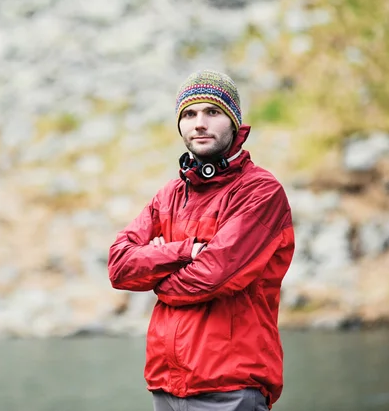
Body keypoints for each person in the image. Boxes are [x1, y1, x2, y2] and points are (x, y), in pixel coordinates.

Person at [108, 70, 295, 411]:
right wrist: (183, 251)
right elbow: (119, 267)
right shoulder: (169, 195)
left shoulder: (260, 191)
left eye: (213, 112)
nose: (199, 124)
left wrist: (157, 272)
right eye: (190, 114)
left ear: (234, 123)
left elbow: (211, 278)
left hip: (231, 387)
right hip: (166, 385)